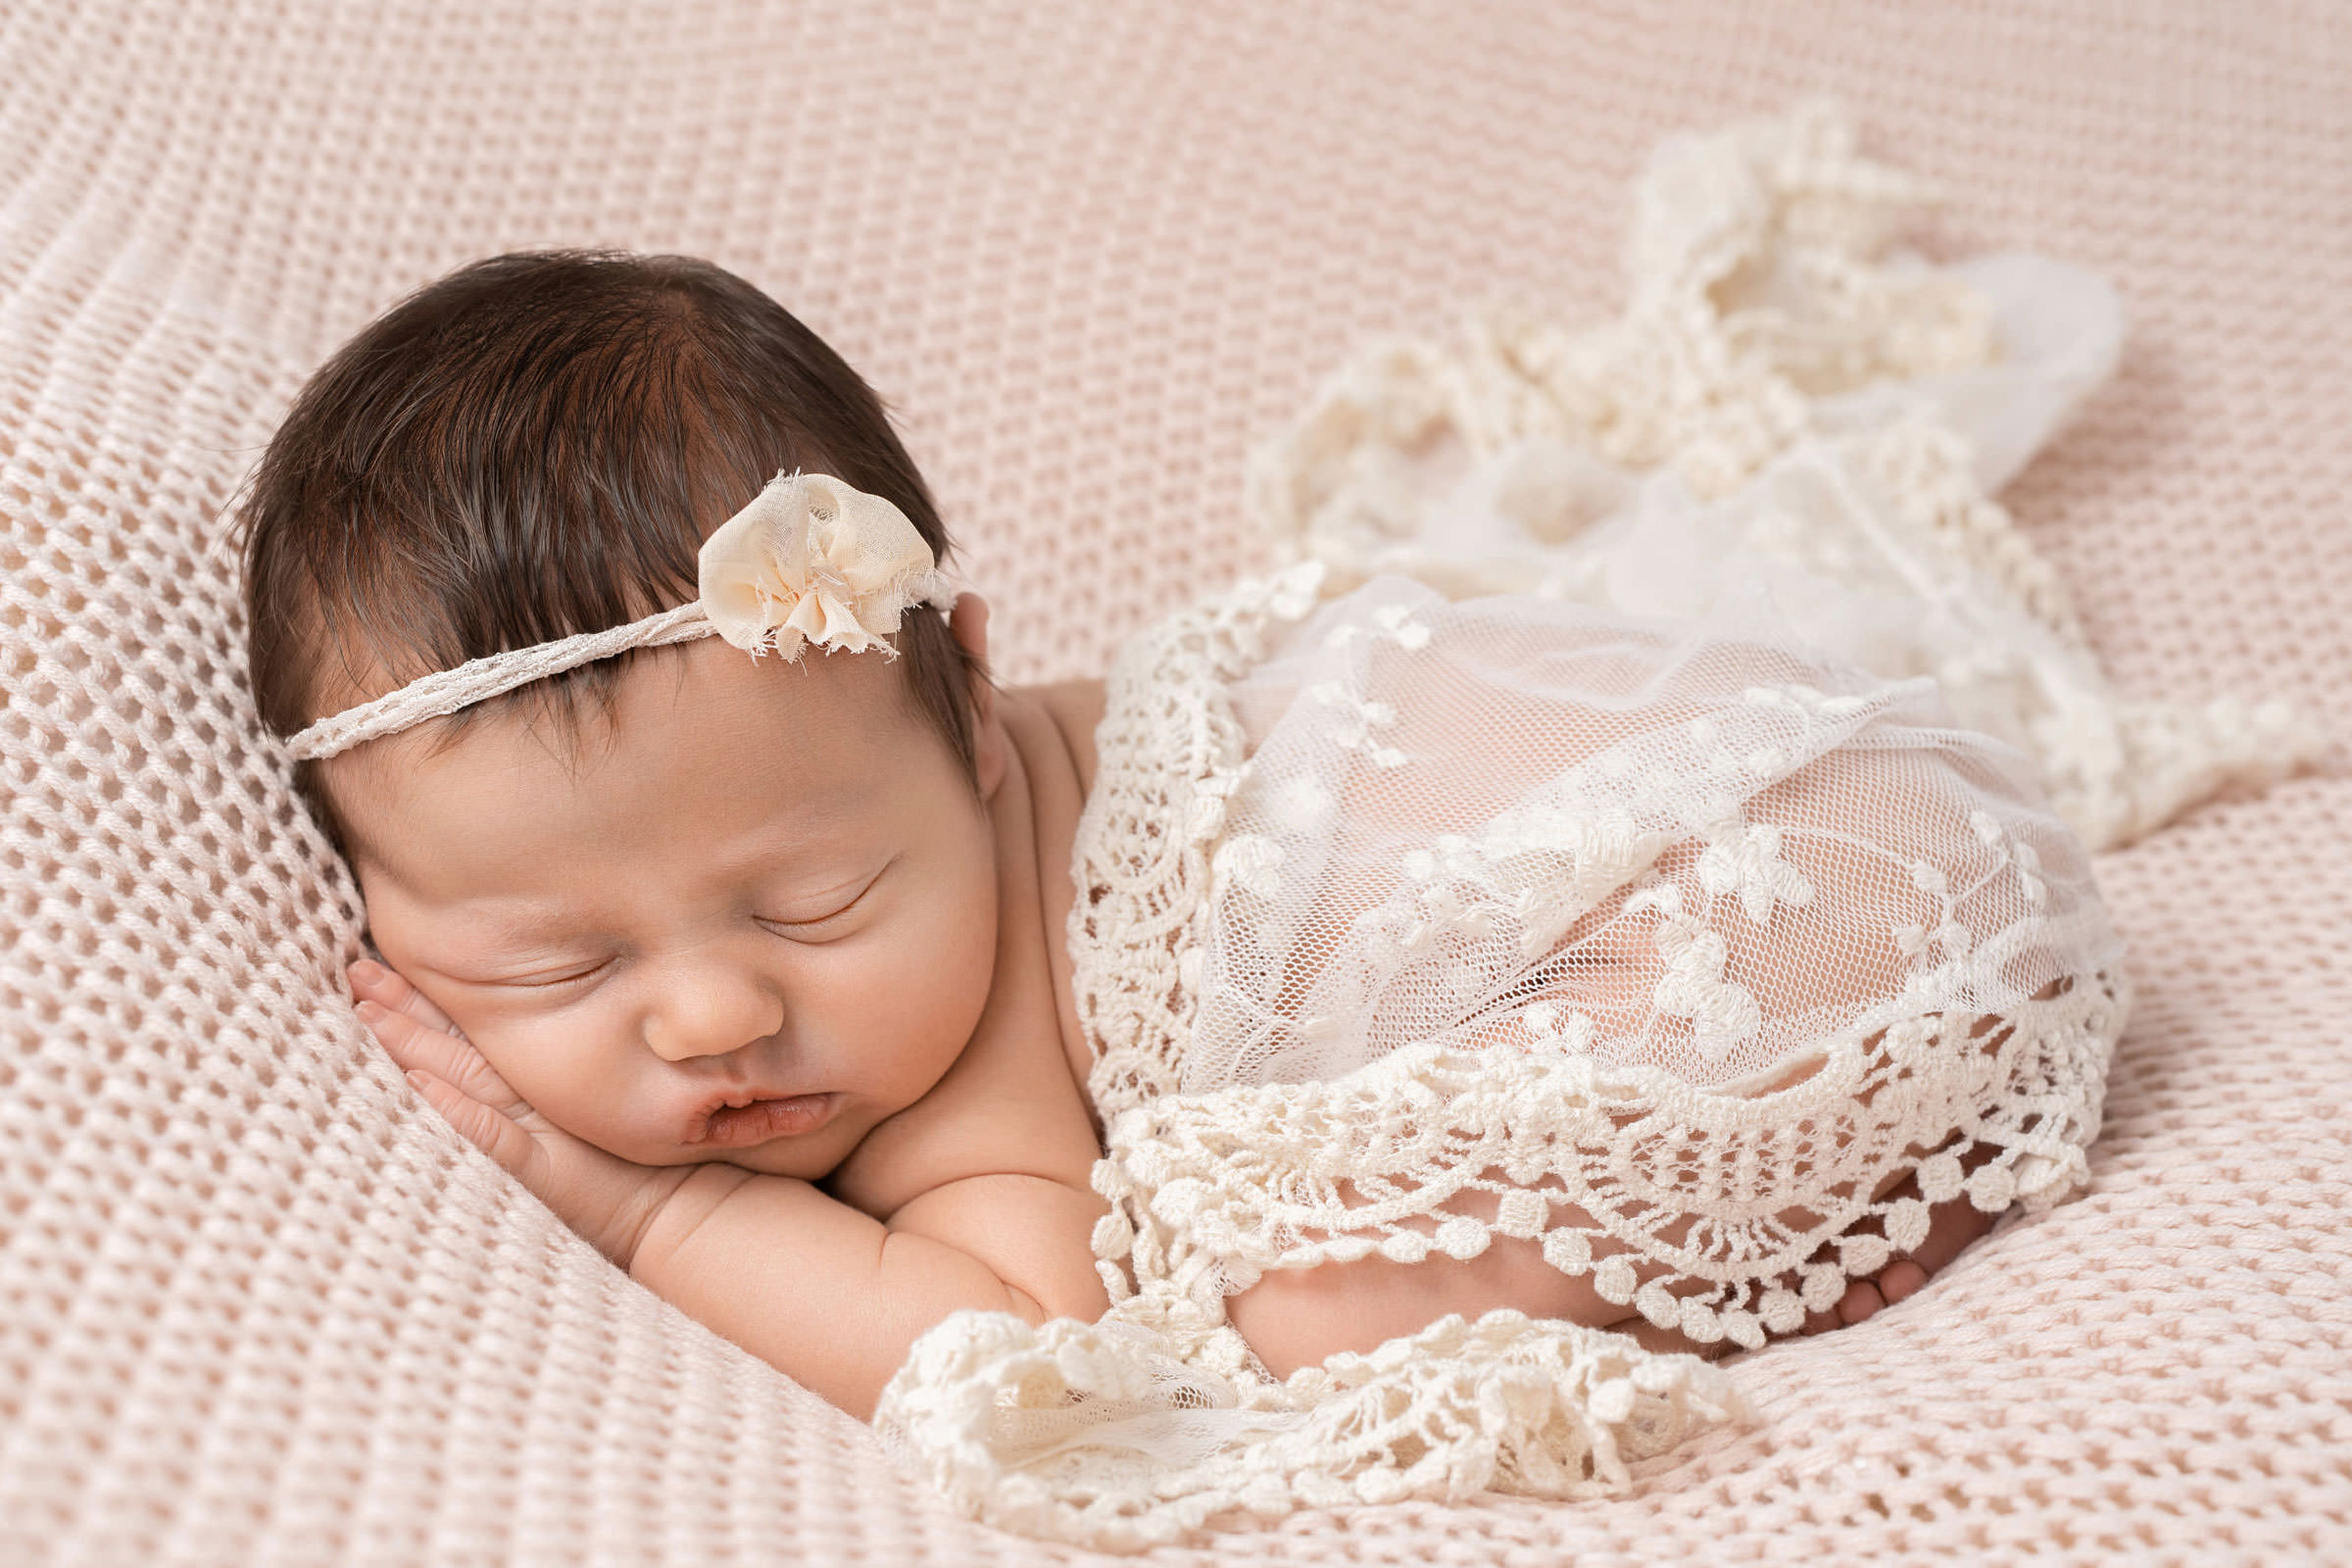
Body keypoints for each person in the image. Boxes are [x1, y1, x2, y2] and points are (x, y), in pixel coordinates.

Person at [240, 249, 2121, 1432]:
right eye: (558, 964)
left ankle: (1814, 1176)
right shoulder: (828, 818)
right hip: (1826, 838)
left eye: (819, 901)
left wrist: (646, 1206)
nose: (718, 1014)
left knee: (1274, 1327)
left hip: (1768, 904)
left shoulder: (969, 1068)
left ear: (973, 715)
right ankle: (1809, 1171)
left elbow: (1018, 1358)